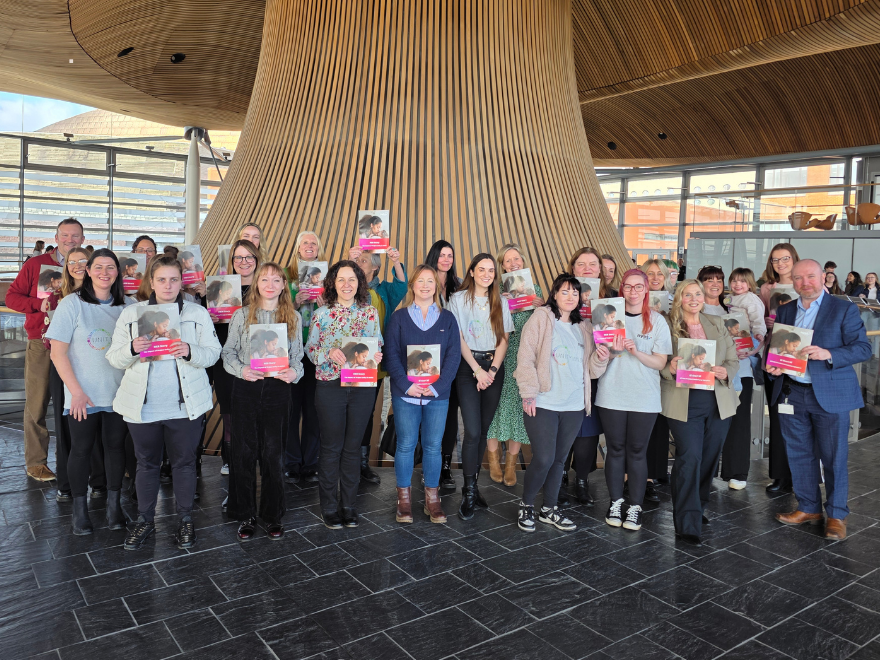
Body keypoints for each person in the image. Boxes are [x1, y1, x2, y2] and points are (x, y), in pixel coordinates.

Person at [107, 255, 221, 550]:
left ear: (182, 281)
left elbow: (212, 353)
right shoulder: (133, 313)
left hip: (185, 405)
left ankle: (184, 520)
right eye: (161, 279)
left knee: (184, 464)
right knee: (146, 464)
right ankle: (145, 520)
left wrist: (188, 349)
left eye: (174, 279)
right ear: (151, 282)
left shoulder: (196, 313)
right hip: (142, 407)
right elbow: (114, 358)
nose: (168, 285)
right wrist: (133, 348)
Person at [766, 259, 870, 540]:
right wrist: (773, 364)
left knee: (833, 456)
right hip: (792, 391)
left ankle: (836, 514)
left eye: (810, 277)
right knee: (799, 454)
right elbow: (778, 347)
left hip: (829, 393)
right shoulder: (786, 310)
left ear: (823, 277)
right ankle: (809, 507)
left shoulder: (844, 308)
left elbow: (862, 348)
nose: (804, 283)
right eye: (798, 279)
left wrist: (829, 354)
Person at [514, 274, 609, 532]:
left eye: (575, 293)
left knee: (559, 459)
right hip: (544, 401)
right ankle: (526, 505)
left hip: (574, 404)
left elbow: (590, 370)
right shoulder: (541, 319)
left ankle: (549, 508)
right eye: (565, 292)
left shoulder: (584, 327)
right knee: (543, 458)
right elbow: (525, 358)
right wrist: (529, 393)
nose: (570, 297)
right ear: (554, 294)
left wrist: (601, 358)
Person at [46, 249, 131, 535]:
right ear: (88, 271)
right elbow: (58, 354)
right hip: (83, 395)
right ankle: (80, 512)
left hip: (118, 395)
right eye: (98, 267)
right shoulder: (72, 304)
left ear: (117, 272)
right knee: (81, 451)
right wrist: (76, 392)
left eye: (110, 267)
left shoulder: (129, 307)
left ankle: (113, 506)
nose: (104, 272)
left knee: (115, 449)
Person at [222, 262, 303, 540]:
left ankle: (272, 515)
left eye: (276, 280)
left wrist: (294, 372)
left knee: (273, 454)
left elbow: (298, 358)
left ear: (284, 286)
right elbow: (228, 354)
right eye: (264, 279)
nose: (270, 284)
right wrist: (241, 370)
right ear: (256, 283)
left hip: (278, 390)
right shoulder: (241, 315)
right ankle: (244, 514)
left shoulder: (293, 317)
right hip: (245, 388)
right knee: (243, 454)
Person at [306, 260, 383, 529]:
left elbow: (378, 345)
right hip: (329, 387)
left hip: (361, 387)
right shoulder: (321, 315)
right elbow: (310, 350)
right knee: (331, 448)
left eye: (352, 279)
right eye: (341, 280)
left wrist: (376, 355)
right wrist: (327, 353)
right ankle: (329, 506)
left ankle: (349, 505)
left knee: (352, 449)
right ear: (333, 283)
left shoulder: (370, 313)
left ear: (360, 283)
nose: (347, 284)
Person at [661, 279, 739, 546]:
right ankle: (687, 521)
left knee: (708, 458)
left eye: (698, 294)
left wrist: (726, 371)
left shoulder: (717, 323)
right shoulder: (666, 326)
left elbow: (733, 359)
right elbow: (658, 361)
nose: (694, 299)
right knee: (690, 456)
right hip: (683, 401)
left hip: (718, 400)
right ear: (678, 298)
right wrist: (668, 368)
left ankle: (699, 505)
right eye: (687, 294)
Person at [7, 218, 85, 481]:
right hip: (42, 342)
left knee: (77, 401)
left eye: (75, 236)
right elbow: (11, 297)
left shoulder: (86, 265)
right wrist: (36, 305)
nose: (70, 240)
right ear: (57, 236)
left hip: (78, 345)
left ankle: (78, 460)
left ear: (82, 240)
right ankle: (36, 462)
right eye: (65, 235)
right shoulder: (36, 264)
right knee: (37, 403)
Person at [385, 265, 461, 524]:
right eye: (420, 280)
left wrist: (437, 387)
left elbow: (452, 357)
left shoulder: (448, 319)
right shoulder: (399, 318)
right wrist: (407, 385)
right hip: (406, 394)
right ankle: (403, 500)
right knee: (405, 445)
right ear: (413, 285)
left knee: (433, 446)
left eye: (431, 281)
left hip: (437, 395)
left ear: (437, 286)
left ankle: (432, 498)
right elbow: (392, 355)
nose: (426, 285)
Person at [596, 269, 671, 531]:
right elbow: (596, 352)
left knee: (637, 452)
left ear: (646, 290)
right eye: (628, 287)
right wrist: (609, 350)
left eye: (639, 287)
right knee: (615, 451)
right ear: (622, 289)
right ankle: (616, 502)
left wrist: (635, 351)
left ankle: (635, 507)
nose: (633, 292)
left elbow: (660, 361)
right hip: (611, 393)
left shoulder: (658, 321)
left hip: (644, 396)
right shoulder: (607, 316)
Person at [447, 253, 513, 520]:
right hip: (467, 368)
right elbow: (458, 337)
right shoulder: (458, 300)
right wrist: (476, 369)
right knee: (472, 431)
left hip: (493, 367)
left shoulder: (500, 300)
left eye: (491, 271)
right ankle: (469, 491)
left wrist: (492, 370)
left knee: (483, 430)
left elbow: (504, 338)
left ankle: (473, 486)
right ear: (471, 272)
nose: (487, 274)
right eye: (481, 269)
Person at [52, 247, 107, 502]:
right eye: (71, 261)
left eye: (82, 260)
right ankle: (70, 491)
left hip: (105, 382)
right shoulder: (64, 299)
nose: (76, 265)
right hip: (70, 372)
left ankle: (100, 484)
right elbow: (57, 350)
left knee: (104, 441)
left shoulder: (114, 299)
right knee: (75, 436)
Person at [349, 244, 407, 484]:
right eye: (358, 260)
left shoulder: (384, 292)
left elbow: (402, 286)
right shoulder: (348, 286)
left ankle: (361, 463)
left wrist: (395, 261)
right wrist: (348, 260)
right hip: (347, 360)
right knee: (345, 411)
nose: (359, 264)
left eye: (363, 261)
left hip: (373, 362)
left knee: (366, 411)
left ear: (375, 266)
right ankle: (347, 460)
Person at [486, 245, 543, 487]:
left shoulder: (536, 290)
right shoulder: (494, 291)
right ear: (502, 266)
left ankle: (511, 464)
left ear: (523, 261)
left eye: (516, 258)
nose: (513, 263)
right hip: (499, 356)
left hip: (525, 359)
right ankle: (493, 460)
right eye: (507, 261)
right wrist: (499, 304)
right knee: (495, 410)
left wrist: (542, 308)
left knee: (518, 412)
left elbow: (545, 326)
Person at [564, 246, 610, 504]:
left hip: (598, 373)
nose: (587, 269)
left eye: (593, 264)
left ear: (600, 270)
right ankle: (558, 475)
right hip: (566, 372)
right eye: (581, 264)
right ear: (573, 269)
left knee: (588, 431)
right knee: (564, 426)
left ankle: (582, 479)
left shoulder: (611, 299)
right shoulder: (562, 295)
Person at [212, 240, 260, 483]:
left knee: (254, 413)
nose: (244, 262)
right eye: (239, 258)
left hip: (256, 359)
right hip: (226, 358)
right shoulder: (220, 288)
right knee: (229, 412)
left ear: (257, 259)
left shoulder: (264, 288)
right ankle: (230, 460)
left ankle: (253, 458)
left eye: (249, 257)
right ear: (231, 262)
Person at [759, 243, 799, 493]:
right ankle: (780, 475)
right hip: (773, 357)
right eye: (775, 260)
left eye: (785, 258)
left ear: (794, 259)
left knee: (800, 420)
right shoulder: (767, 288)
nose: (780, 263)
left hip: (801, 360)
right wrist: (764, 323)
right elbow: (758, 323)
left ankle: (802, 475)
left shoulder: (805, 285)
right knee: (776, 417)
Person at [286, 231, 324, 484]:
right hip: (290, 354)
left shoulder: (327, 280)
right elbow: (276, 314)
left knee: (313, 411)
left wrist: (324, 307)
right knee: (290, 411)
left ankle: (310, 463)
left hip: (317, 354)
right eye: (305, 243)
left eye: (313, 243)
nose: (309, 246)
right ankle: (290, 463)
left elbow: (335, 316)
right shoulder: (286, 279)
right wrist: (294, 302)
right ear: (297, 249)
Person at [725, 268, 767, 490]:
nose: (738, 284)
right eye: (734, 281)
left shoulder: (752, 300)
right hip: (732, 354)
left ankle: (738, 471)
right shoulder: (730, 299)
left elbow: (758, 322)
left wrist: (758, 339)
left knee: (740, 416)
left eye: (742, 281)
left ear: (750, 284)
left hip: (745, 352)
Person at [424, 240, 462, 489]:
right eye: (442, 255)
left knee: (449, 415)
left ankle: (445, 465)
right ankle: (428, 462)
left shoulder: (460, 288)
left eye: (450, 255)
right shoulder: (423, 283)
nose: (446, 259)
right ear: (434, 256)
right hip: (426, 360)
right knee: (426, 413)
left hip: (453, 360)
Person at [640, 258, 675, 496]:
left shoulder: (674, 304)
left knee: (661, 425)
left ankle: (654, 473)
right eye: (650, 274)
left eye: (659, 275)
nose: (654, 278)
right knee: (642, 428)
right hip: (642, 371)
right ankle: (640, 476)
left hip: (668, 371)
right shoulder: (631, 303)